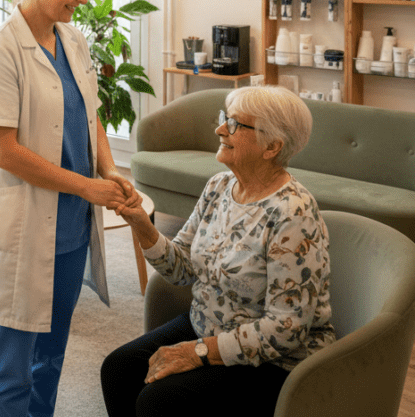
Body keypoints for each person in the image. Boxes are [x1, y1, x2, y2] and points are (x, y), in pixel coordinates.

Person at [0, 0, 136, 417]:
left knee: (50, 358)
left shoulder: (72, 40)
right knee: (10, 367)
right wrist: (87, 187)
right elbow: (4, 152)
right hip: (21, 229)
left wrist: (109, 169)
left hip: (71, 230)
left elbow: (90, 115)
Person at [101, 86, 336, 417]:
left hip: (275, 362)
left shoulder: (293, 214)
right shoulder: (219, 186)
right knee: (119, 369)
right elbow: (182, 269)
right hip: (209, 325)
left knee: (158, 401)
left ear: (272, 147)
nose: (220, 129)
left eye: (235, 124)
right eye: (225, 118)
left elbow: (286, 329)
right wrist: (142, 224)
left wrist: (198, 352)